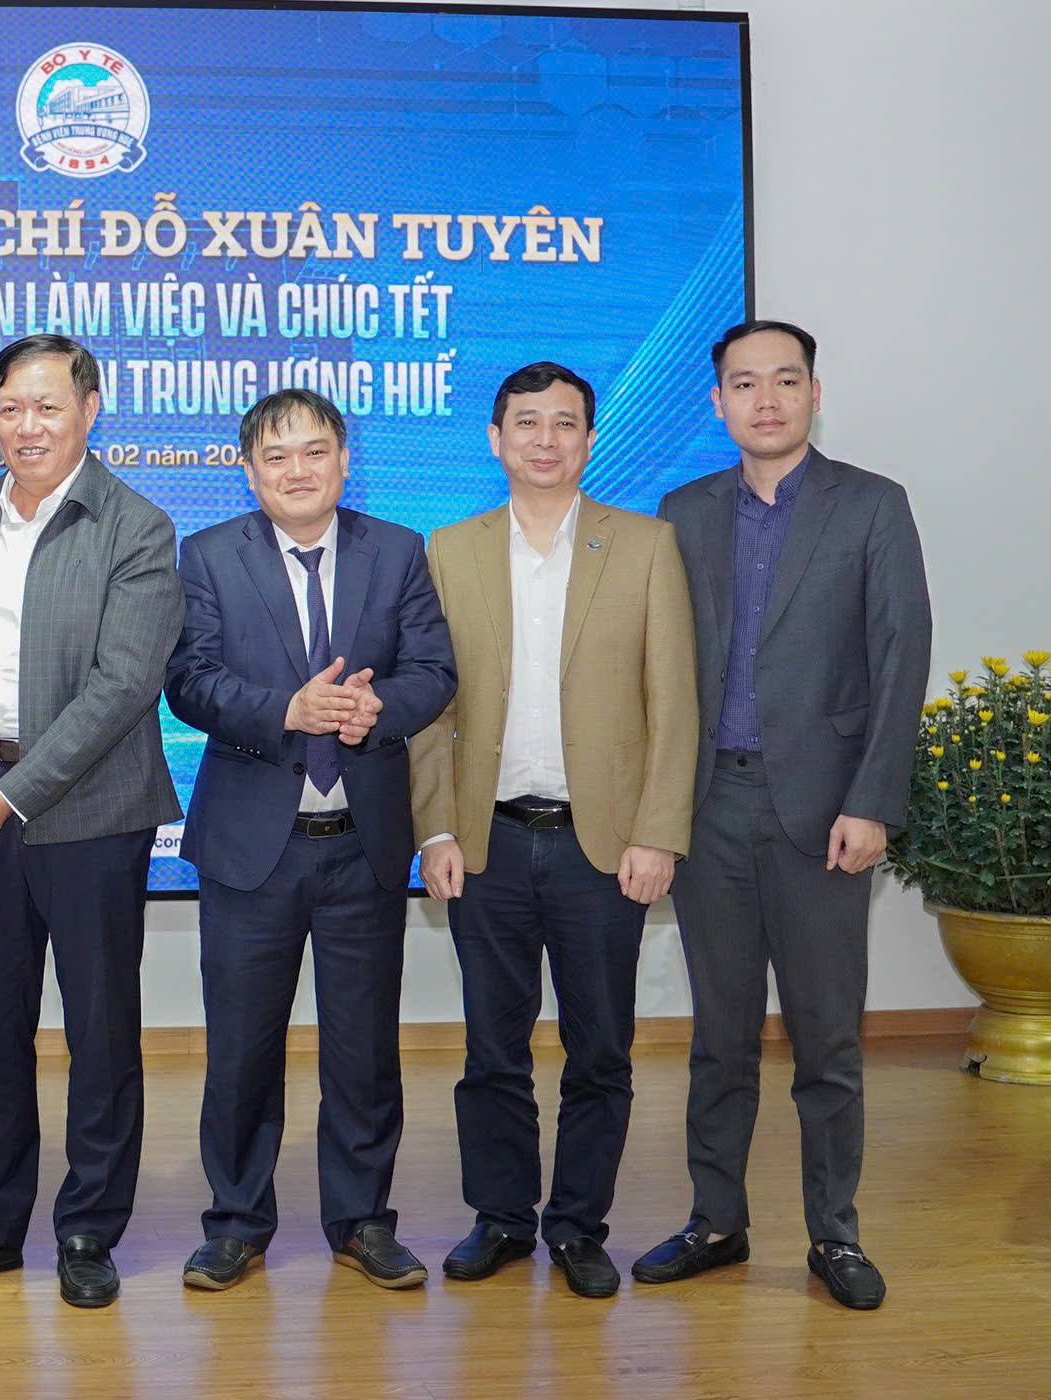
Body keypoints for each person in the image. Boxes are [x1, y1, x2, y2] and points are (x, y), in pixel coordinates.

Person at [635, 321, 931, 1311]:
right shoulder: (681, 511)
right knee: (718, 1036)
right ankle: (715, 1220)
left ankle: (833, 1234)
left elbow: (900, 656)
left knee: (825, 1041)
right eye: (743, 383)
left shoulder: (871, 504)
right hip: (709, 804)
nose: (764, 399)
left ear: (813, 394)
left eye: (784, 380)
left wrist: (871, 802)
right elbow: (658, 667)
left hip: (824, 811)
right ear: (716, 401)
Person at [0, 334, 183, 1310]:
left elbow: (121, 686)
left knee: (98, 1028)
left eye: (47, 406)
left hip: (91, 804)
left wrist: (14, 791)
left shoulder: (136, 526)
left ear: (89, 410)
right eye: (9, 408)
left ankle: (89, 1227)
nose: (26, 426)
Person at [409, 363, 697, 1299]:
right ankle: (499, 1218)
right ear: (494, 439)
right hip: (485, 842)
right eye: (525, 423)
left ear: (589, 440)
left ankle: (577, 1227)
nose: (544, 440)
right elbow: (431, 710)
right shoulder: (448, 550)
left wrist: (657, 833)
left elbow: (673, 703)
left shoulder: (645, 545)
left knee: (599, 1051)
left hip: (601, 848)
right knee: (490, 1051)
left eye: (564, 423)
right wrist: (434, 830)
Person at [165, 388, 455, 1293]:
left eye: (315, 451)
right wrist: (283, 711)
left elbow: (433, 670)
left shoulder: (396, 550)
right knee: (240, 1050)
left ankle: (361, 1221)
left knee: (363, 1051)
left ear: (343, 460)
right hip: (251, 847)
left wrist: (380, 709)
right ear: (248, 472)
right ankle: (235, 1223)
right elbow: (188, 681)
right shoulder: (208, 555)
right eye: (276, 456)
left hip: (361, 843)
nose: (297, 470)